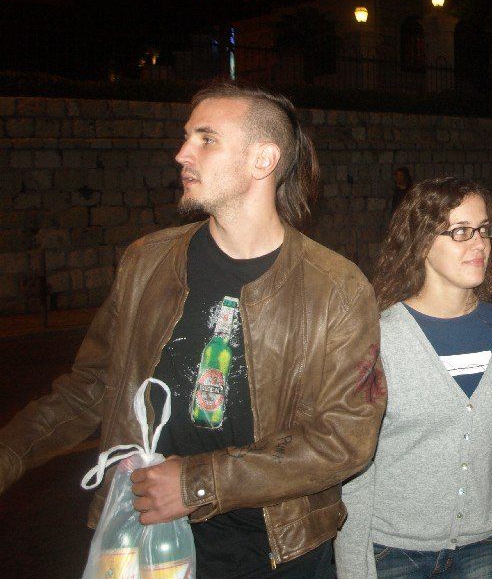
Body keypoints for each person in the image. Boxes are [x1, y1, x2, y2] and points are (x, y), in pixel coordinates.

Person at [0, 81, 386, 578]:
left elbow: (345, 439)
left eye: (206, 139)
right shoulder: (146, 262)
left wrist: (196, 484)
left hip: (276, 552)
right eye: (187, 137)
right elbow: (93, 385)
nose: (182, 153)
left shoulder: (336, 287)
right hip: (143, 536)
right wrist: (10, 452)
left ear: (263, 160)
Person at [335, 176, 492, 579]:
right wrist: (353, 563)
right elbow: (356, 462)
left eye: (484, 229)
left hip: (483, 547)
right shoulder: (379, 335)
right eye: (460, 232)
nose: (479, 244)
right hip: (395, 551)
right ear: (421, 242)